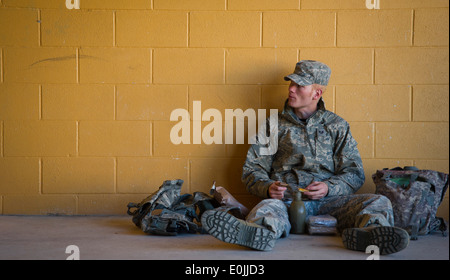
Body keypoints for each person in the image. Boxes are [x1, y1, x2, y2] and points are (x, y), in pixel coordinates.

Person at [201, 60, 410, 255]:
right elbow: (251, 170)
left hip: (331, 203)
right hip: (287, 202)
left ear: (316, 93)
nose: (291, 89)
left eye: (300, 85)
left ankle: (371, 234)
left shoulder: (336, 126)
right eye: (291, 84)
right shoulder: (273, 125)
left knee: (378, 202)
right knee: (266, 209)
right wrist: (267, 187)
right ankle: (258, 233)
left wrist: (329, 188)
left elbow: (354, 173)